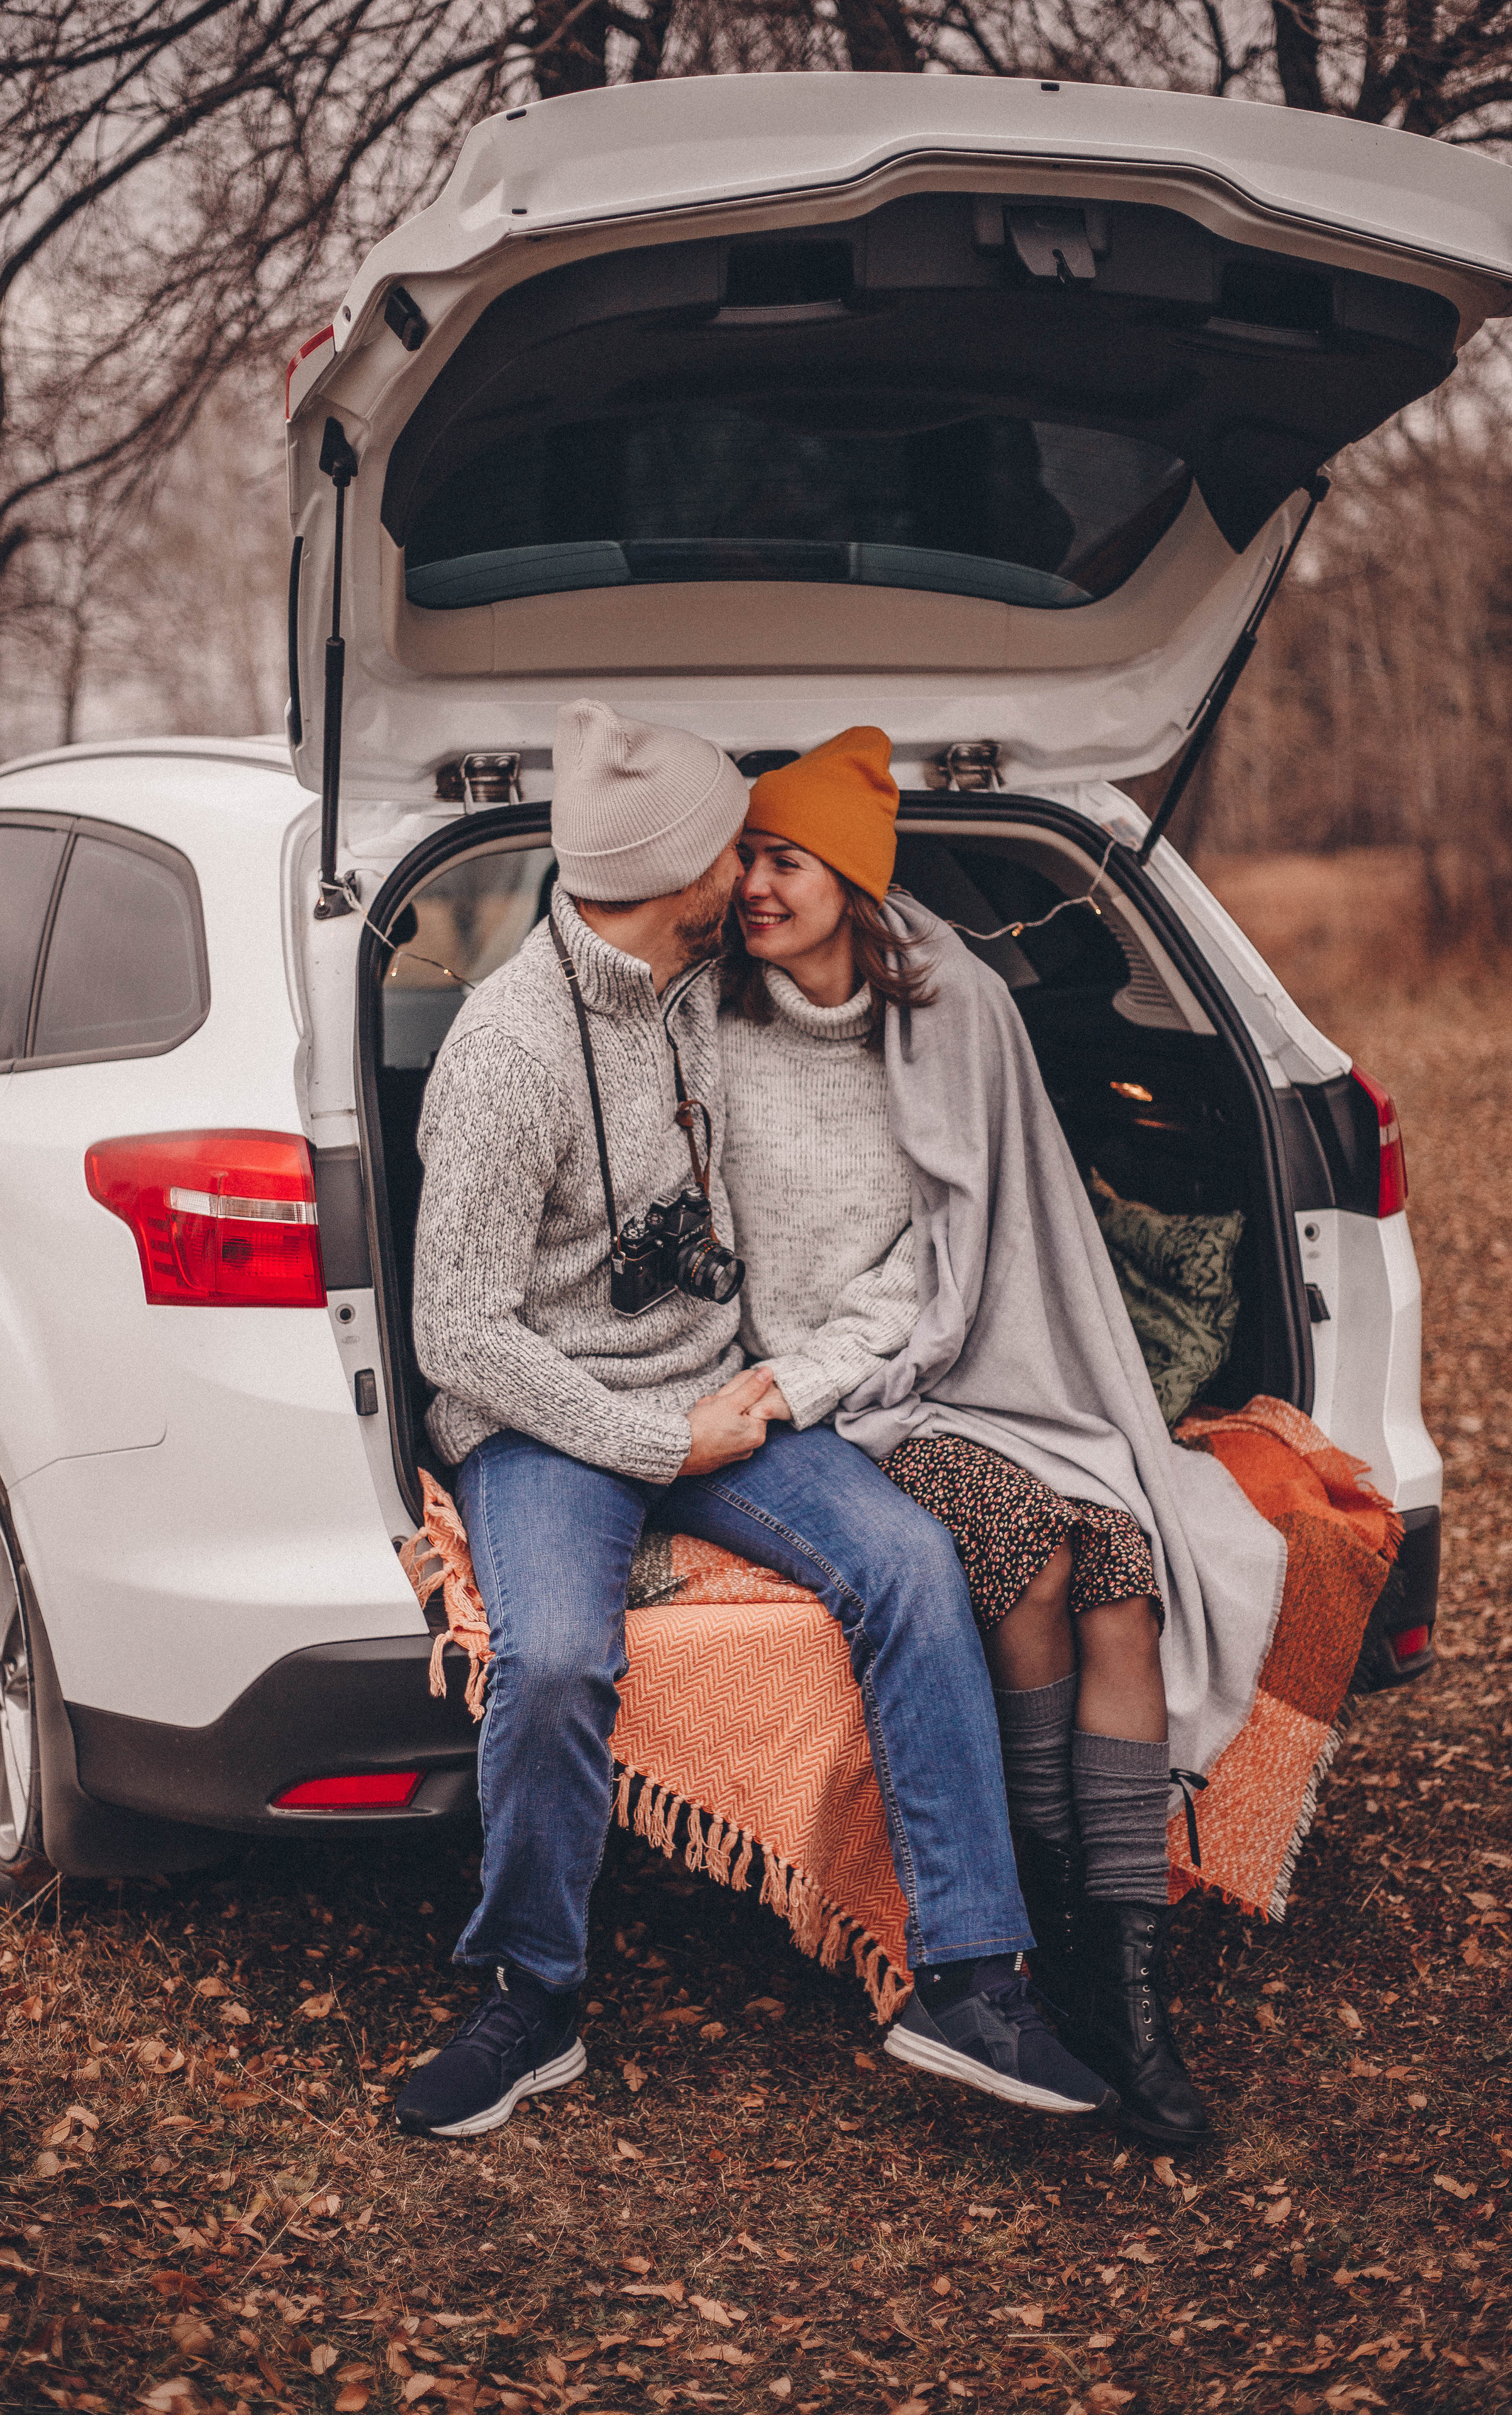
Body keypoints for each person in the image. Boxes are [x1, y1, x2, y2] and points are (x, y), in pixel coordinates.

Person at [393, 697, 1116, 2140]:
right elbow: (454, 1334)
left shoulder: (697, 989)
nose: (754, 869)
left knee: (908, 1566)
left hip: (716, 1388)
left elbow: (870, 962)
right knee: (552, 1663)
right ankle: (530, 2001)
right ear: (679, 874)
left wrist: (751, 1397)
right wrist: (660, 1446)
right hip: (545, 1420)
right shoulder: (505, 1051)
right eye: (737, 847)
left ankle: (969, 1981)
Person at [718, 726, 1279, 2150]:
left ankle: (1125, 1986)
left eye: (785, 860)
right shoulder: (709, 1025)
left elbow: (957, 1245)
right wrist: (797, 1382)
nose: (755, 885)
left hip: (955, 1351)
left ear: (853, 878)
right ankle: (1045, 1917)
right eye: (745, 859)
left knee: (1123, 1564)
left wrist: (887, 1345)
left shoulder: (946, 1005)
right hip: (825, 1397)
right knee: (1027, 1551)